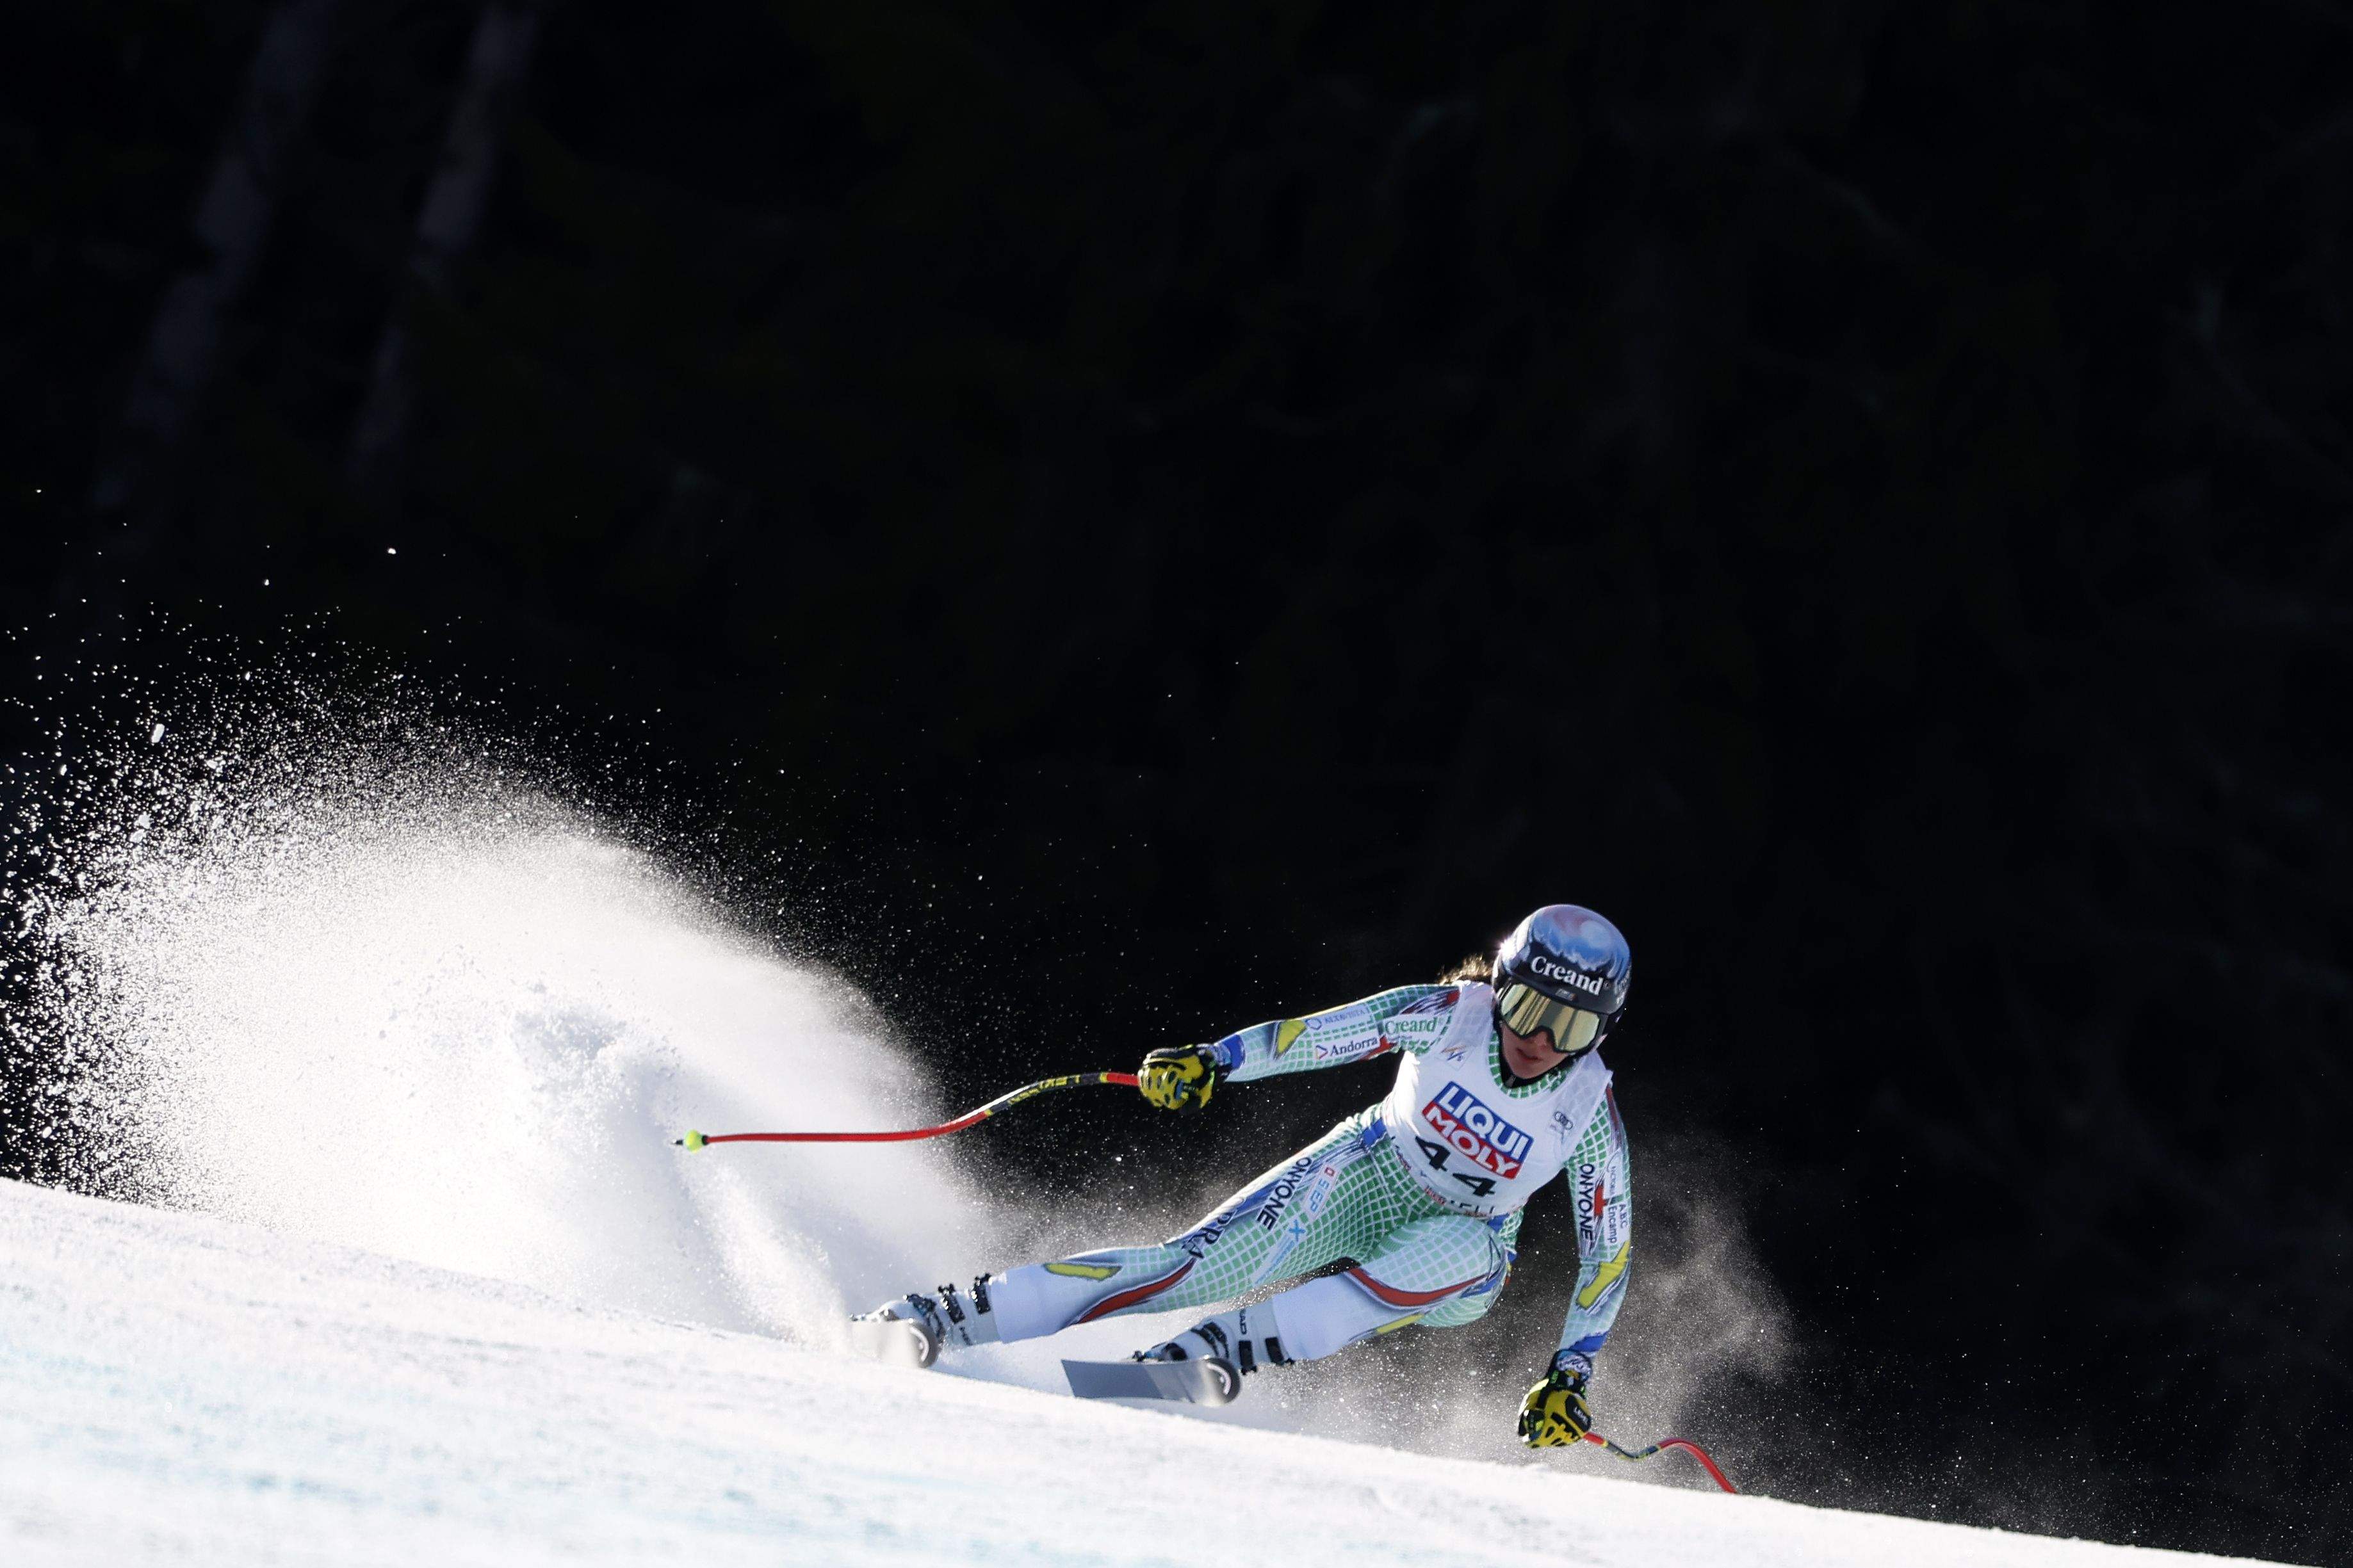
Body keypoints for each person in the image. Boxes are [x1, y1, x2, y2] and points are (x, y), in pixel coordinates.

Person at [852, 903, 1634, 1450]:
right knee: (1181, 1267)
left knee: (1457, 1249)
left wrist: (1569, 1371)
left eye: (1571, 1026)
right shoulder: (1447, 1013)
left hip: (1466, 1248)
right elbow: (1318, 1036)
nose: (1539, 1038)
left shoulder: (1585, 1109)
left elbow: (1607, 1256)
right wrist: (1213, 1062)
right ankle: (934, 1320)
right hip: (1365, 1169)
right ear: (1501, 984)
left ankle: (1200, 1361)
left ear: (1600, 1032)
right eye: (1530, 1006)